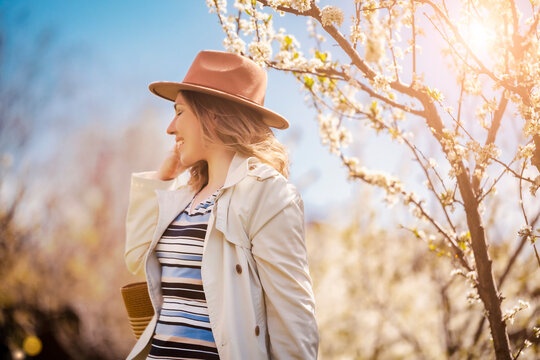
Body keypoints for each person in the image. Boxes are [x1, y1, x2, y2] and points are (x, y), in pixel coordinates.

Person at [123, 50, 319, 360]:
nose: (170, 127)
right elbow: (136, 258)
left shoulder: (267, 194)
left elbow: (294, 320)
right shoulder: (185, 194)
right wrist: (161, 179)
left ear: (212, 115)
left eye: (179, 112)